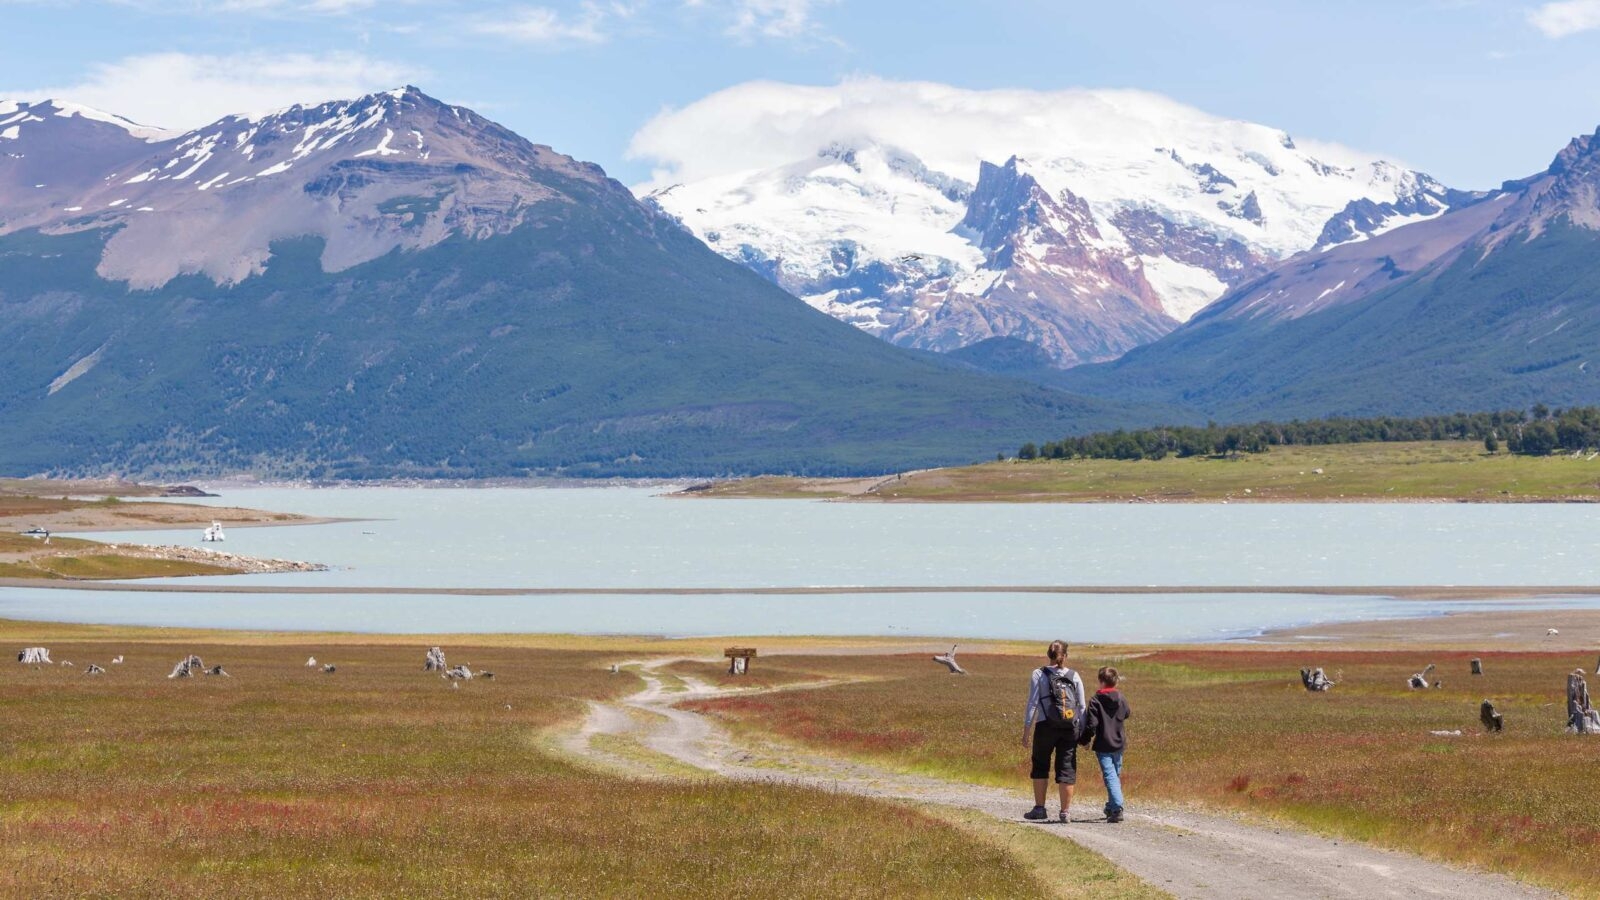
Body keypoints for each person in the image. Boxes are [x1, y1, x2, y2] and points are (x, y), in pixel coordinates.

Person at [1021, 639, 1086, 823]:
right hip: (1069, 728)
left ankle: (1040, 808)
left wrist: (1027, 730)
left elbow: (1033, 704)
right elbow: (1081, 706)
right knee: (1067, 767)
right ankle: (1065, 812)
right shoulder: (1074, 675)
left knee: (1041, 764)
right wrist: (1083, 732)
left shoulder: (1038, 674)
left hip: (1045, 726)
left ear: (1048, 655)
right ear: (1065, 656)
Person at [1080, 666, 1131, 823]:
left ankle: (1117, 808)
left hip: (1103, 744)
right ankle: (1110, 807)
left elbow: (1091, 724)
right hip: (1119, 742)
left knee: (1110, 776)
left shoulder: (1096, 700)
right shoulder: (1121, 698)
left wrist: (1085, 740)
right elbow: (1127, 713)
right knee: (1115, 775)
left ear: (1101, 681)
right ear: (1115, 681)